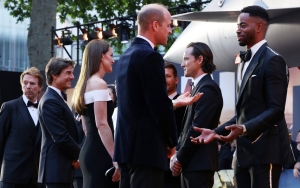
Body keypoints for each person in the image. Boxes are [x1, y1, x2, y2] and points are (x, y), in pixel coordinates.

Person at [190, 5, 294, 188]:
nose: (238, 29)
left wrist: (244, 128)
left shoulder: (273, 60)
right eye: (238, 25)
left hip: (266, 152)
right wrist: (215, 132)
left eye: (243, 25)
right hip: (243, 154)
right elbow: (244, 112)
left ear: (259, 27)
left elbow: (276, 110)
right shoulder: (244, 62)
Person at [113, 3, 202, 188]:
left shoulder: (124, 57)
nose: (170, 31)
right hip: (146, 151)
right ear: (155, 25)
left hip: (125, 149)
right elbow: (158, 105)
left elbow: (137, 105)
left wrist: (175, 104)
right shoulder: (150, 57)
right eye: (169, 25)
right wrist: (172, 142)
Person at [170, 42, 223, 188]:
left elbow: (196, 129)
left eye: (186, 59)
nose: (182, 64)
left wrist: (178, 158)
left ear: (200, 60)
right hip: (192, 164)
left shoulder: (208, 88)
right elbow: (186, 128)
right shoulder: (199, 87)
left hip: (199, 164)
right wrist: (177, 156)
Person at [72, 39, 120, 188]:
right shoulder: (99, 84)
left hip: (90, 151)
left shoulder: (86, 84)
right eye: (111, 55)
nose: (113, 60)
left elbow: (87, 128)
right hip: (100, 153)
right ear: (101, 56)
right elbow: (102, 124)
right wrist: (115, 157)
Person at [38, 57, 81, 188]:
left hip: (61, 171)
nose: (72, 77)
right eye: (68, 73)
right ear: (54, 75)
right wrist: (81, 156)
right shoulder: (50, 101)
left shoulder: (56, 98)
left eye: (72, 73)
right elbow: (61, 136)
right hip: (56, 171)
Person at [0, 67, 43, 188]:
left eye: (32, 83)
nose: (28, 86)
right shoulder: (9, 107)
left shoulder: (43, 110)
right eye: (25, 83)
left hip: (36, 177)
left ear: (40, 87)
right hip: (12, 175)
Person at [163, 62, 186, 188]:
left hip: (176, 165)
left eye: (168, 76)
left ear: (176, 79)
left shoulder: (184, 104)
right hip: (156, 164)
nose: (164, 80)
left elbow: (185, 131)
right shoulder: (154, 105)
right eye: (161, 77)